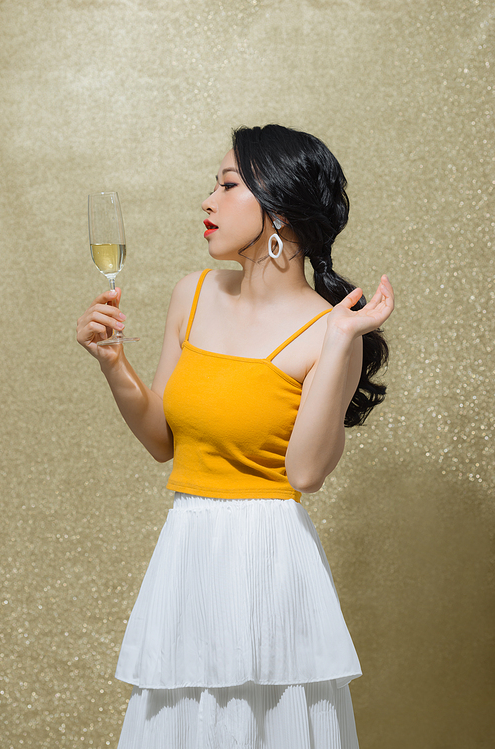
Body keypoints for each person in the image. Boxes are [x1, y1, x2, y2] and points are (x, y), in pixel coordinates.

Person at [77, 124, 394, 749]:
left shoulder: (332, 331)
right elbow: (163, 440)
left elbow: (304, 474)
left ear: (278, 209)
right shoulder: (191, 294)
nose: (208, 201)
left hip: (268, 559)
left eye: (227, 185)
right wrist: (114, 363)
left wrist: (336, 347)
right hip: (188, 547)